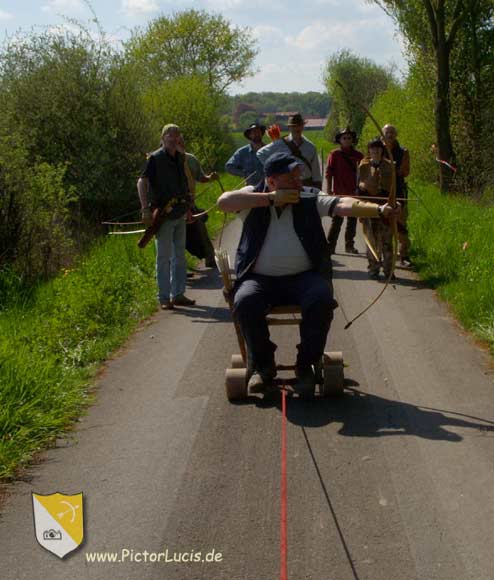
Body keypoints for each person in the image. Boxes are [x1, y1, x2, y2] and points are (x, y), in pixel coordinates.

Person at [217, 153, 396, 397]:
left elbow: (340, 203)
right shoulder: (253, 195)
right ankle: (262, 366)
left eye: (298, 176)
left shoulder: (309, 197)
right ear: (271, 181)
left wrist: (378, 209)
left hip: (303, 278)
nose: (298, 182)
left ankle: (306, 366)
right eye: (291, 178)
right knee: (245, 301)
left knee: (321, 299)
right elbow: (224, 201)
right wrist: (269, 199)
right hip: (259, 280)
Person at [137, 124, 195, 310]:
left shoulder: (179, 157)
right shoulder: (154, 158)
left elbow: (183, 183)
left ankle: (178, 294)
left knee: (179, 256)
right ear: (163, 137)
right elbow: (142, 181)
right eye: (169, 134)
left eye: (176, 134)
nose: (173, 137)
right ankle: (164, 297)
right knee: (163, 258)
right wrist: (145, 208)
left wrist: (188, 208)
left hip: (179, 211)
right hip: (163, 213)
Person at [177, 135, 219, 269]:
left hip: (189, 203)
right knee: (175, 238)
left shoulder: (190, 160)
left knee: (200, 229)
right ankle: (178, 268)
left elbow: (201, 178)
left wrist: (210, 178)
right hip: (169, 207)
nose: (180, 145)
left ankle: (209, 257)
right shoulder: (160, 160)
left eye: (181, 142)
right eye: (177, 142)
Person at [357, 137, 395, 280]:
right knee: (371, 241)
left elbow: (396, 189)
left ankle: (389, 270)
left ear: (382, 150)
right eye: (372, 148)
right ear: (369, 150)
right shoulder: (363, 165)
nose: (375, 151)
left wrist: (396, 206)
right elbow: (359, 190)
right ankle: (373, 269)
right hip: (370, 208)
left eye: (378, 148)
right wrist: (360, 209)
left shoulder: (390, 165)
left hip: (387, 208)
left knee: (387, 241)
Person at [256, 113, 322, 188]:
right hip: (289, 184)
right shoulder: (279, 143)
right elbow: (260, 153)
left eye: (299, 125)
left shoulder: (311, 147)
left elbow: (316, 171)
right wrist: (275, 169)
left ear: (303, 126)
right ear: (289, 128)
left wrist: (318, 185)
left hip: (307, 183)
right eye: (294, 126)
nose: (297, 128)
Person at [325, 128, 364, 254]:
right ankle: (330, 246)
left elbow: (364, 174)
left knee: (352, 222)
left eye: (349, 138)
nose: (347, 140)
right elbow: (329, 173)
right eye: (344, 138)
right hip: (339, 193)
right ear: (340, 140)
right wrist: (329, 189)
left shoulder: (359, 156)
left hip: (354, 193)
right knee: (337, 221)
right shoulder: (334, 154)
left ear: (352, 140)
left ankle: (349, 246)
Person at [383, 124, 412, 264]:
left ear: (396, 135)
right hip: (381, 192)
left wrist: (393, 169)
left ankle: (403, 255)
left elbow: (405, 172)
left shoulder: (403, 151)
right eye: (387, 132)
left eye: (392, 132)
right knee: (381, 225)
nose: (389, 135)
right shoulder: (376, 149)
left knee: (400, 224)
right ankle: (383, 256)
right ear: (383, 134)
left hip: (398, 190)